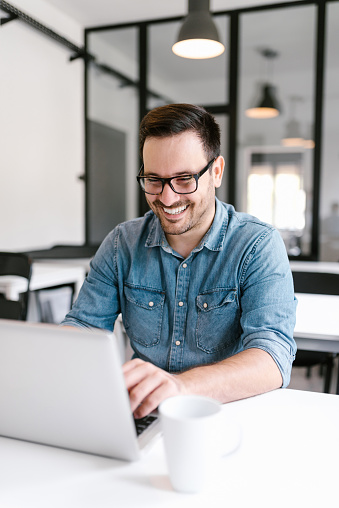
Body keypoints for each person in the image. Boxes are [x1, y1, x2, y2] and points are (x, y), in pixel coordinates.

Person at [62, 103, 297, 418]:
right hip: (143, 412)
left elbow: (272, 358)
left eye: (184, 179)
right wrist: (54, 354)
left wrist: (179, 387)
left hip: (227, 414)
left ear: (216, 171)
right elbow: (85, 326)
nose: (167, 198)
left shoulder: (257, 245)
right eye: (154, 180)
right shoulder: (122, 243)